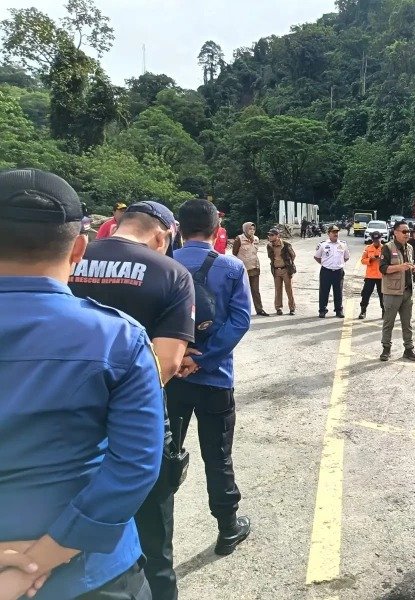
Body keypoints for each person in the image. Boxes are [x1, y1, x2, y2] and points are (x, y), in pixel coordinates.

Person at [0, 168, 163, 600]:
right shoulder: (118, 339)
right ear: (79, 249)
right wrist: (39, 560)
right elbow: (135, 467)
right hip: (91, 576)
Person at [69, 200, 194, 599]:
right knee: (155, 540)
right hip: (138, 421)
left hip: (71, 416)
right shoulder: (171, 273)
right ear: (162, 235)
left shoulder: (73, 256)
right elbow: (168, 363)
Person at [166, 199, 252, 556]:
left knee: (165, 452)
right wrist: (205, 358)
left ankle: (156, 538)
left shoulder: (163, 264)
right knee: (218, 457)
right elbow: (240, 319)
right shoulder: (232, 267)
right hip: (215, 378)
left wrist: (180, 357)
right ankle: (227, 529)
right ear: (218, 229)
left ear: (178, 230)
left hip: (169, 377)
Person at [379, 220, 415, 362]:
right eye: (404, 231)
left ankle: (408, 349)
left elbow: (407, 265)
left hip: (407, 291)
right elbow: (383, 269)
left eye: (408, 231)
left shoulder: (409, 247)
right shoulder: (387, 248)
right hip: (392, 292)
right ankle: (386, 349)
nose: (407, 234)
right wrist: (399, 267)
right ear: (395, 232)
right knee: (388, 322)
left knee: (407, 323)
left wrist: (414, 267)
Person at [233, 221, 269, 317]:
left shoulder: (256, 239)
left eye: (253, 229)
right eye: (250, 229)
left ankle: (259, 309)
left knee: (255, 290)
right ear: (245, 229)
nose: (252, 231)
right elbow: (234, 253)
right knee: (243, 291)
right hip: (243, 269)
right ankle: (243, 311)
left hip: (255, 267)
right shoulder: (239, 239)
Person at [315, 224, 349, 318]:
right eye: (333, 232)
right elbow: (317, 257)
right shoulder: (323, 244)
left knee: (338, 291)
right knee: (324, 291)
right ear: (328, 233)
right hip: (326, 271)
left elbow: (346, 257)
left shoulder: (343, 244)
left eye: (337, 232)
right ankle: (322, 310)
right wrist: (326, 264)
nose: (336, 234)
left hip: (338, 271)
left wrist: (338, 264)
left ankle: (339, 310)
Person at [266, 227, 297, 316]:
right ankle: (278, 308)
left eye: (272, 235)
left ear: (278, 236)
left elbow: (293, 255)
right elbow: (270, 257)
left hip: (286, 270)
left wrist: (288, 264)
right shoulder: (269, 246)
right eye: (269, 235)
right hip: (276, 270)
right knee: (278, 289)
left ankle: (292, 308)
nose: (270, 237)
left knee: (289, 289)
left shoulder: (286, 245)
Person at [359, 230, 384, 319]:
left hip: (381, 276)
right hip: (370, 276)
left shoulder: (385, 248)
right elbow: (362, 260)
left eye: (377, 239)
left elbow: (389, 261)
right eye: (374, 239)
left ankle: (384, 311)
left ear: (380, 238)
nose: (376, 241)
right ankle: (363, 311)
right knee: (366, 294)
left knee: (382, 294)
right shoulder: (368, 248)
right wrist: (370, 259)